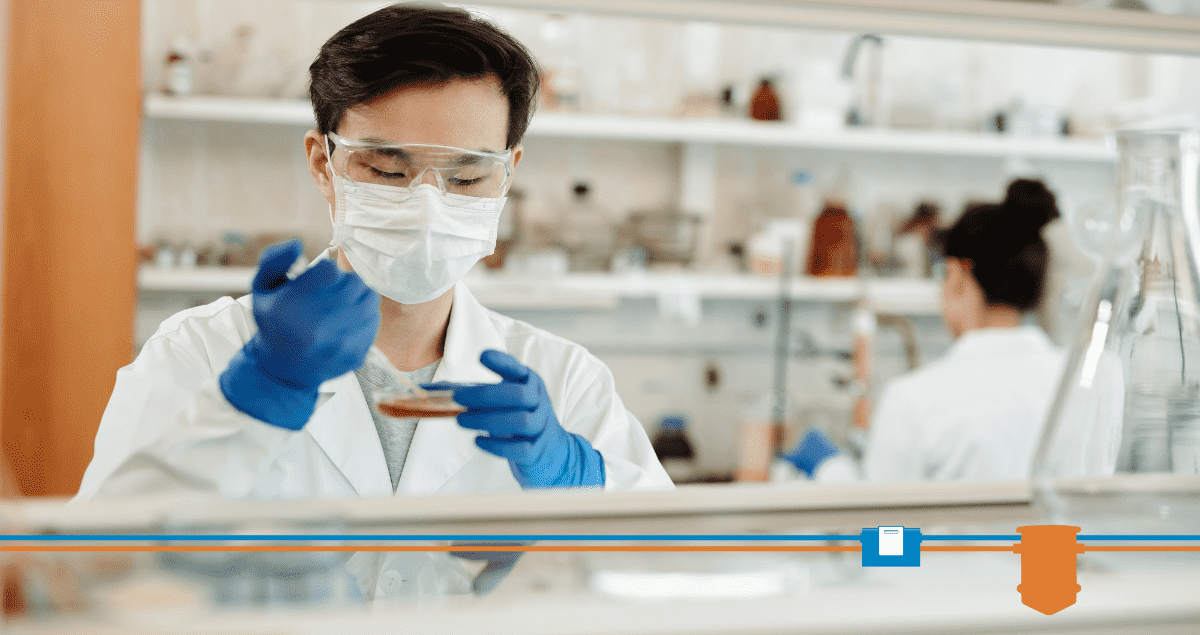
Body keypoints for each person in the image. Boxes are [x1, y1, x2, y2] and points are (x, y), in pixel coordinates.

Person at [76, 3, 672, 503]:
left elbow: (678, 574)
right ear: (322, 163)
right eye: (388, 169)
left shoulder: (565, 383)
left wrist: (580, 477)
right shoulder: (202, 352)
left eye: (466, 178)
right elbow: (93, 562)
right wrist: (255, 401)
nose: (428, 207)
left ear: (509, 175)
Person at [783, 179, 1067, 482]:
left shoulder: (914, 399)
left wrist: (830, 469)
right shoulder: (1090, 382)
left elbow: (881, 524)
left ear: (958, 275)